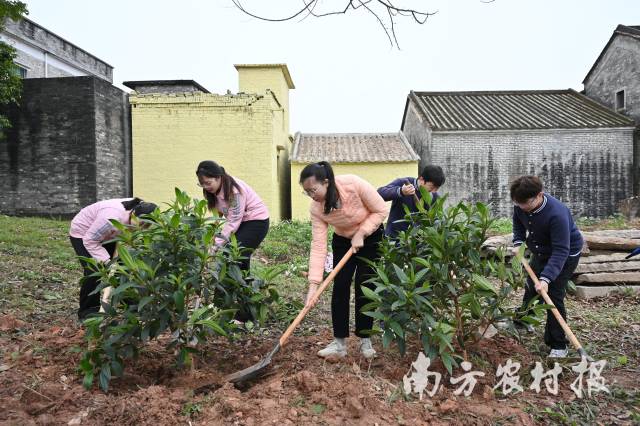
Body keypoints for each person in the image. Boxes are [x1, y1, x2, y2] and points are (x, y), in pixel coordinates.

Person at [301, 161, 388, 359]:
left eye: (313, 190)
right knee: (340, 286)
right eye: (307, 192)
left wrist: (363, 232)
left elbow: (381, 210)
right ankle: (339, 344)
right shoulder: (316, 208)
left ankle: (365, 341)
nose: (312, 196)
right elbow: (318, 246)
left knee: (365, 286)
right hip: (342, 240)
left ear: (326, 182)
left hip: (371, 235)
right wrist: (313, 285)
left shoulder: (353, 184)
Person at [510, 175, 583, 358]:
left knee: (553, 295)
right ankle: (523, 322)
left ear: (539, 195)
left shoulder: (556, 214)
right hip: (541, 251)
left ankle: (558, 344)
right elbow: (518, 222)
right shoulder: (521, 204)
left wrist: (546, 278)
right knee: (531, 287)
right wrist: (518, 242)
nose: (521, 207)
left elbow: (560, 251)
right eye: (518, 204)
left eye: (525, 204)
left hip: (564, 255)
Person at [69, 197, 157, 320]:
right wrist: (107, 262)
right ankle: (88, 311)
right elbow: (90, 240)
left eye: (146, 226)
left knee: (122, 269)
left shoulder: (139, 208)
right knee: (94, 271)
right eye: (142, 224)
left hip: (108, 234)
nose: (142, 228)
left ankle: (131, 304)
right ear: (133, 214)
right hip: (84, 234)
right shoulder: (110, 218)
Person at [196, 160, 269, 273]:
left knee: (232, 253)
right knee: (239, 258)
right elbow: (218, 213)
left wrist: (214, 247)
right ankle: (243, 288)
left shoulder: (234, 191)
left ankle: (232, 288)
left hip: (256, 221)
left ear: (218, 177)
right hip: (241, 222)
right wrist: (212, 234)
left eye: (208, 183)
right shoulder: (213, 190)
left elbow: (233, 221)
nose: (205, 187)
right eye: (202, 184)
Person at [377, 165, 445, 238]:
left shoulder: (434, 197)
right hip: (395, 238)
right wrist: (400, 191)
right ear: (422, 179)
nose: (434, 191)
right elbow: (379, 194)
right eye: (432, 187)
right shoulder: (404, 183)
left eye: (437, 188)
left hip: (417, 243)